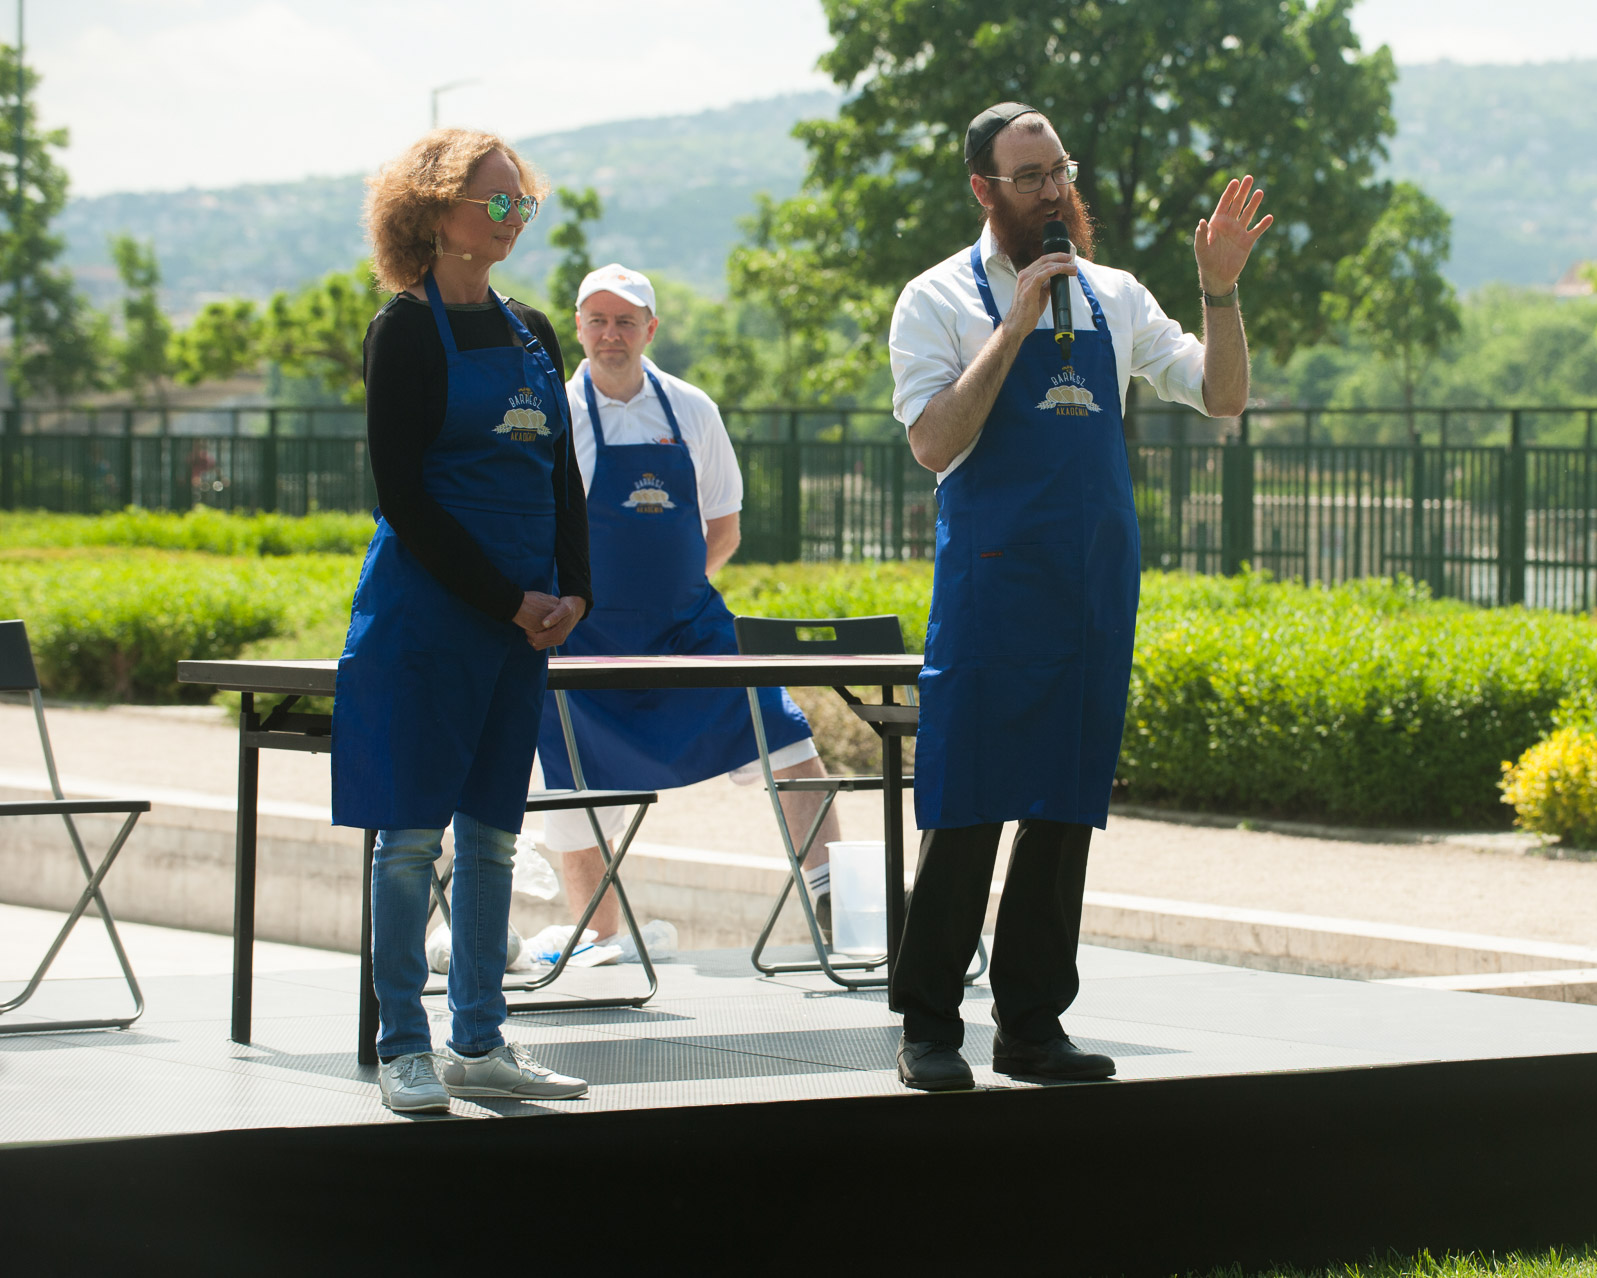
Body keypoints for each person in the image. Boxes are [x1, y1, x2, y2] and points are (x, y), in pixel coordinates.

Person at [885, 103, 1271, 1091]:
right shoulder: (934, 301)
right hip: (989, 591)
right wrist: (1014, 326)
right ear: (984, 190)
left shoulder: (1114, 295)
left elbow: (1219, 396)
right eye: (1030, 176)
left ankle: (1033, 1026)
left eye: (1060, 170)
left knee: (1063, 809)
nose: (1055, 190)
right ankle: (929, 1027)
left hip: (1090, 593)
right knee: (966, 807)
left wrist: (1219, 294)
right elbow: (934, 443)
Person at [333, 128, 594, 1114]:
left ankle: (479, 1043)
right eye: (495, 201)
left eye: (520, 202)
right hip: (427, 621)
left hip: (520, 626)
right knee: (408, 841)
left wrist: (576, 590)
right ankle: (405, 1044)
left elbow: (559, 475)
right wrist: (506, 598)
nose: (513, 217)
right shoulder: (402, 330)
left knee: (491, 837)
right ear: (435, 210)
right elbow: (404, 494)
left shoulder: (533, 330)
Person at [533, 265, 841, 956]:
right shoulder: (555, 413)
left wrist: (669, 593)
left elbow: (724, 529)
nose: (611, 334)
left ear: (651, 328)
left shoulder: (691, 408)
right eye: (597, 320)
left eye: (626, 320)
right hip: (587, 641)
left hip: (688, 633)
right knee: (572, 788)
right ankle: (599, 936)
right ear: (577, 327)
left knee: (787, 740)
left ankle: (839, 905)